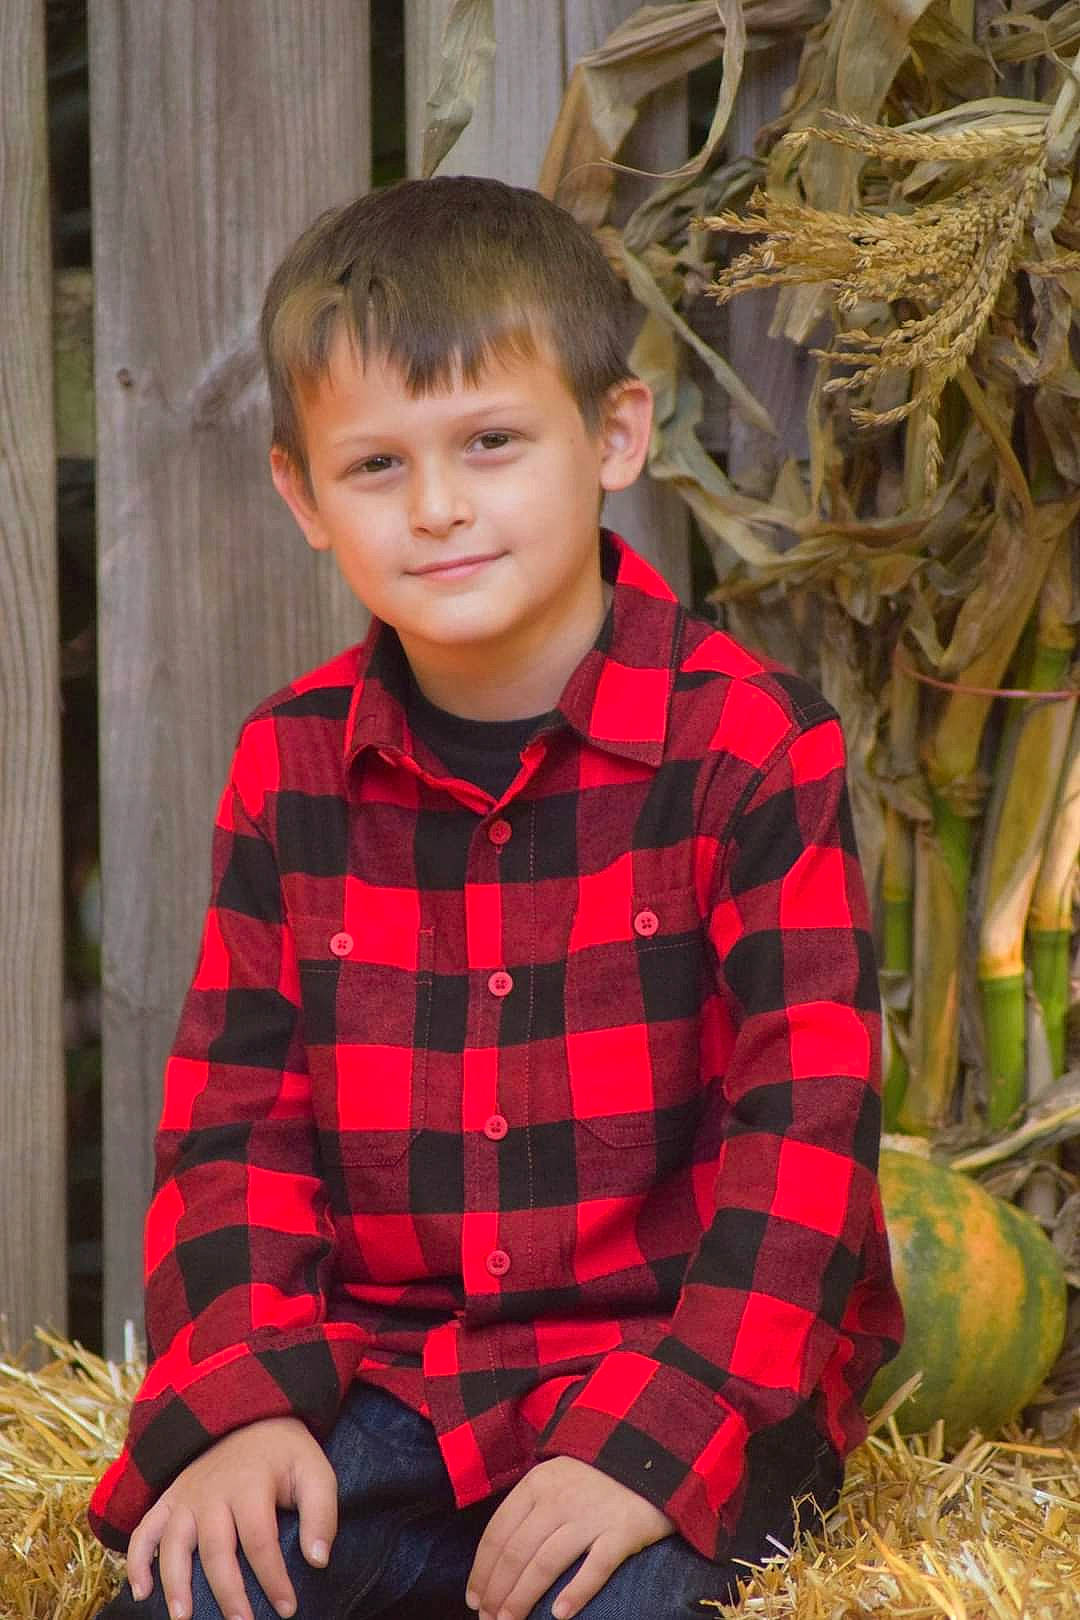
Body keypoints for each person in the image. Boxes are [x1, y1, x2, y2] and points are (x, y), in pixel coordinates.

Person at [89, 173, 903, 1620]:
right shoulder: (291, 765)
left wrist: (657, 1443)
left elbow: (808, 1136)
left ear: (614, 436)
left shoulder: (752, 745)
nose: (443, 508)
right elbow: (235, 1121)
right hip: (400, 1382)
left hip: (686, 1379)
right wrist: (248, 1406)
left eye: (491, 442)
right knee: (192, 1595)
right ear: (302, 495)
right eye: (378, 467)